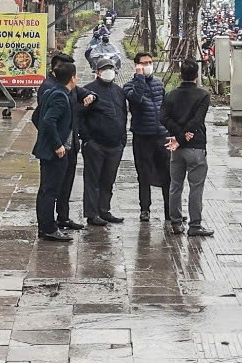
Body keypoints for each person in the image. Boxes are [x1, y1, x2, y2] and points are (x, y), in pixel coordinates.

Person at [34, 55, 83, 242]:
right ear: (72, 78)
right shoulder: (61, 97)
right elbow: (47, 121)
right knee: (50, 191)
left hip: (48, 149)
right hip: (55, 152)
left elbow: (37, 117)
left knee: (47, 190)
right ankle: (48, 228)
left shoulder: (51, 91)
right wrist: (57, 144)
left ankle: (46, 226)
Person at [163, 61, 214, 236]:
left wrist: (178, 136)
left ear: (180, 74)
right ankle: (195, 225)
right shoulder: (203, 96)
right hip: (196, 147)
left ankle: (176, 223)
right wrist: (184, 136)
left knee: (175, 185)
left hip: (176, 149)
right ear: (197, 75)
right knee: (196, 187)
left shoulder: (170, 95)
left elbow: (162, 118)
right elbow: (197, 120)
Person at [80, 55, 130, 225]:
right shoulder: (88, 90)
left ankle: (104, 210)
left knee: (108, 179)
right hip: (95, 144)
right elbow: (80, 116)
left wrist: (123, 138)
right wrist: (87, 138)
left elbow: (123, 114)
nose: (109, 71)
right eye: (104, 69)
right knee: (92, 180)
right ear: (97, 72)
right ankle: (92, 213)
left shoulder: (119, 91)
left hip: (115, 145)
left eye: (111, 68)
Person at [126, 51, 172, 225]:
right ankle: (145, 209)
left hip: (161, 136)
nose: (147, 66)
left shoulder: (159, 83)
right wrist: (139, 78)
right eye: (144, 63)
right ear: (137, 66)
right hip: (142, 136)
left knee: (167, 174)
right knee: (143, 174)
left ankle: (170, 210)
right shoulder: (130, 86)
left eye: (149, 62)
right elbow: (135, 100)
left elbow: (166, 107)